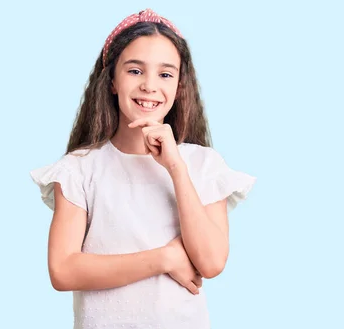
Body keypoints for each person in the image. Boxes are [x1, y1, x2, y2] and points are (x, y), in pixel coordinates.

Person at [30, 8, 256, 329]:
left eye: (165, 74)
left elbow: (211, 261)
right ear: (111, 81)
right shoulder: (79, 169)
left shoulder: (202, 165)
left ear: (179, 88)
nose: (150, 86)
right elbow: (63, 270)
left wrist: (175, 166)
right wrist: (164, 259)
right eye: (135, 71)